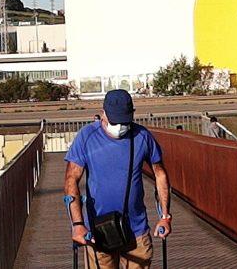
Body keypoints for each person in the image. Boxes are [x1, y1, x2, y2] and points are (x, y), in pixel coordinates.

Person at [65, 89, 172, 269]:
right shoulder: (87, 136)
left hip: (137, 232)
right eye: (115, 121)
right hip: (98, 232)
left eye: (124, 121)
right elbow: (71, 180)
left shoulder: (142, 136)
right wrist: (77, 224)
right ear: (104, 112)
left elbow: (160, 174)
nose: (120, 126)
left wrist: (165, 216)